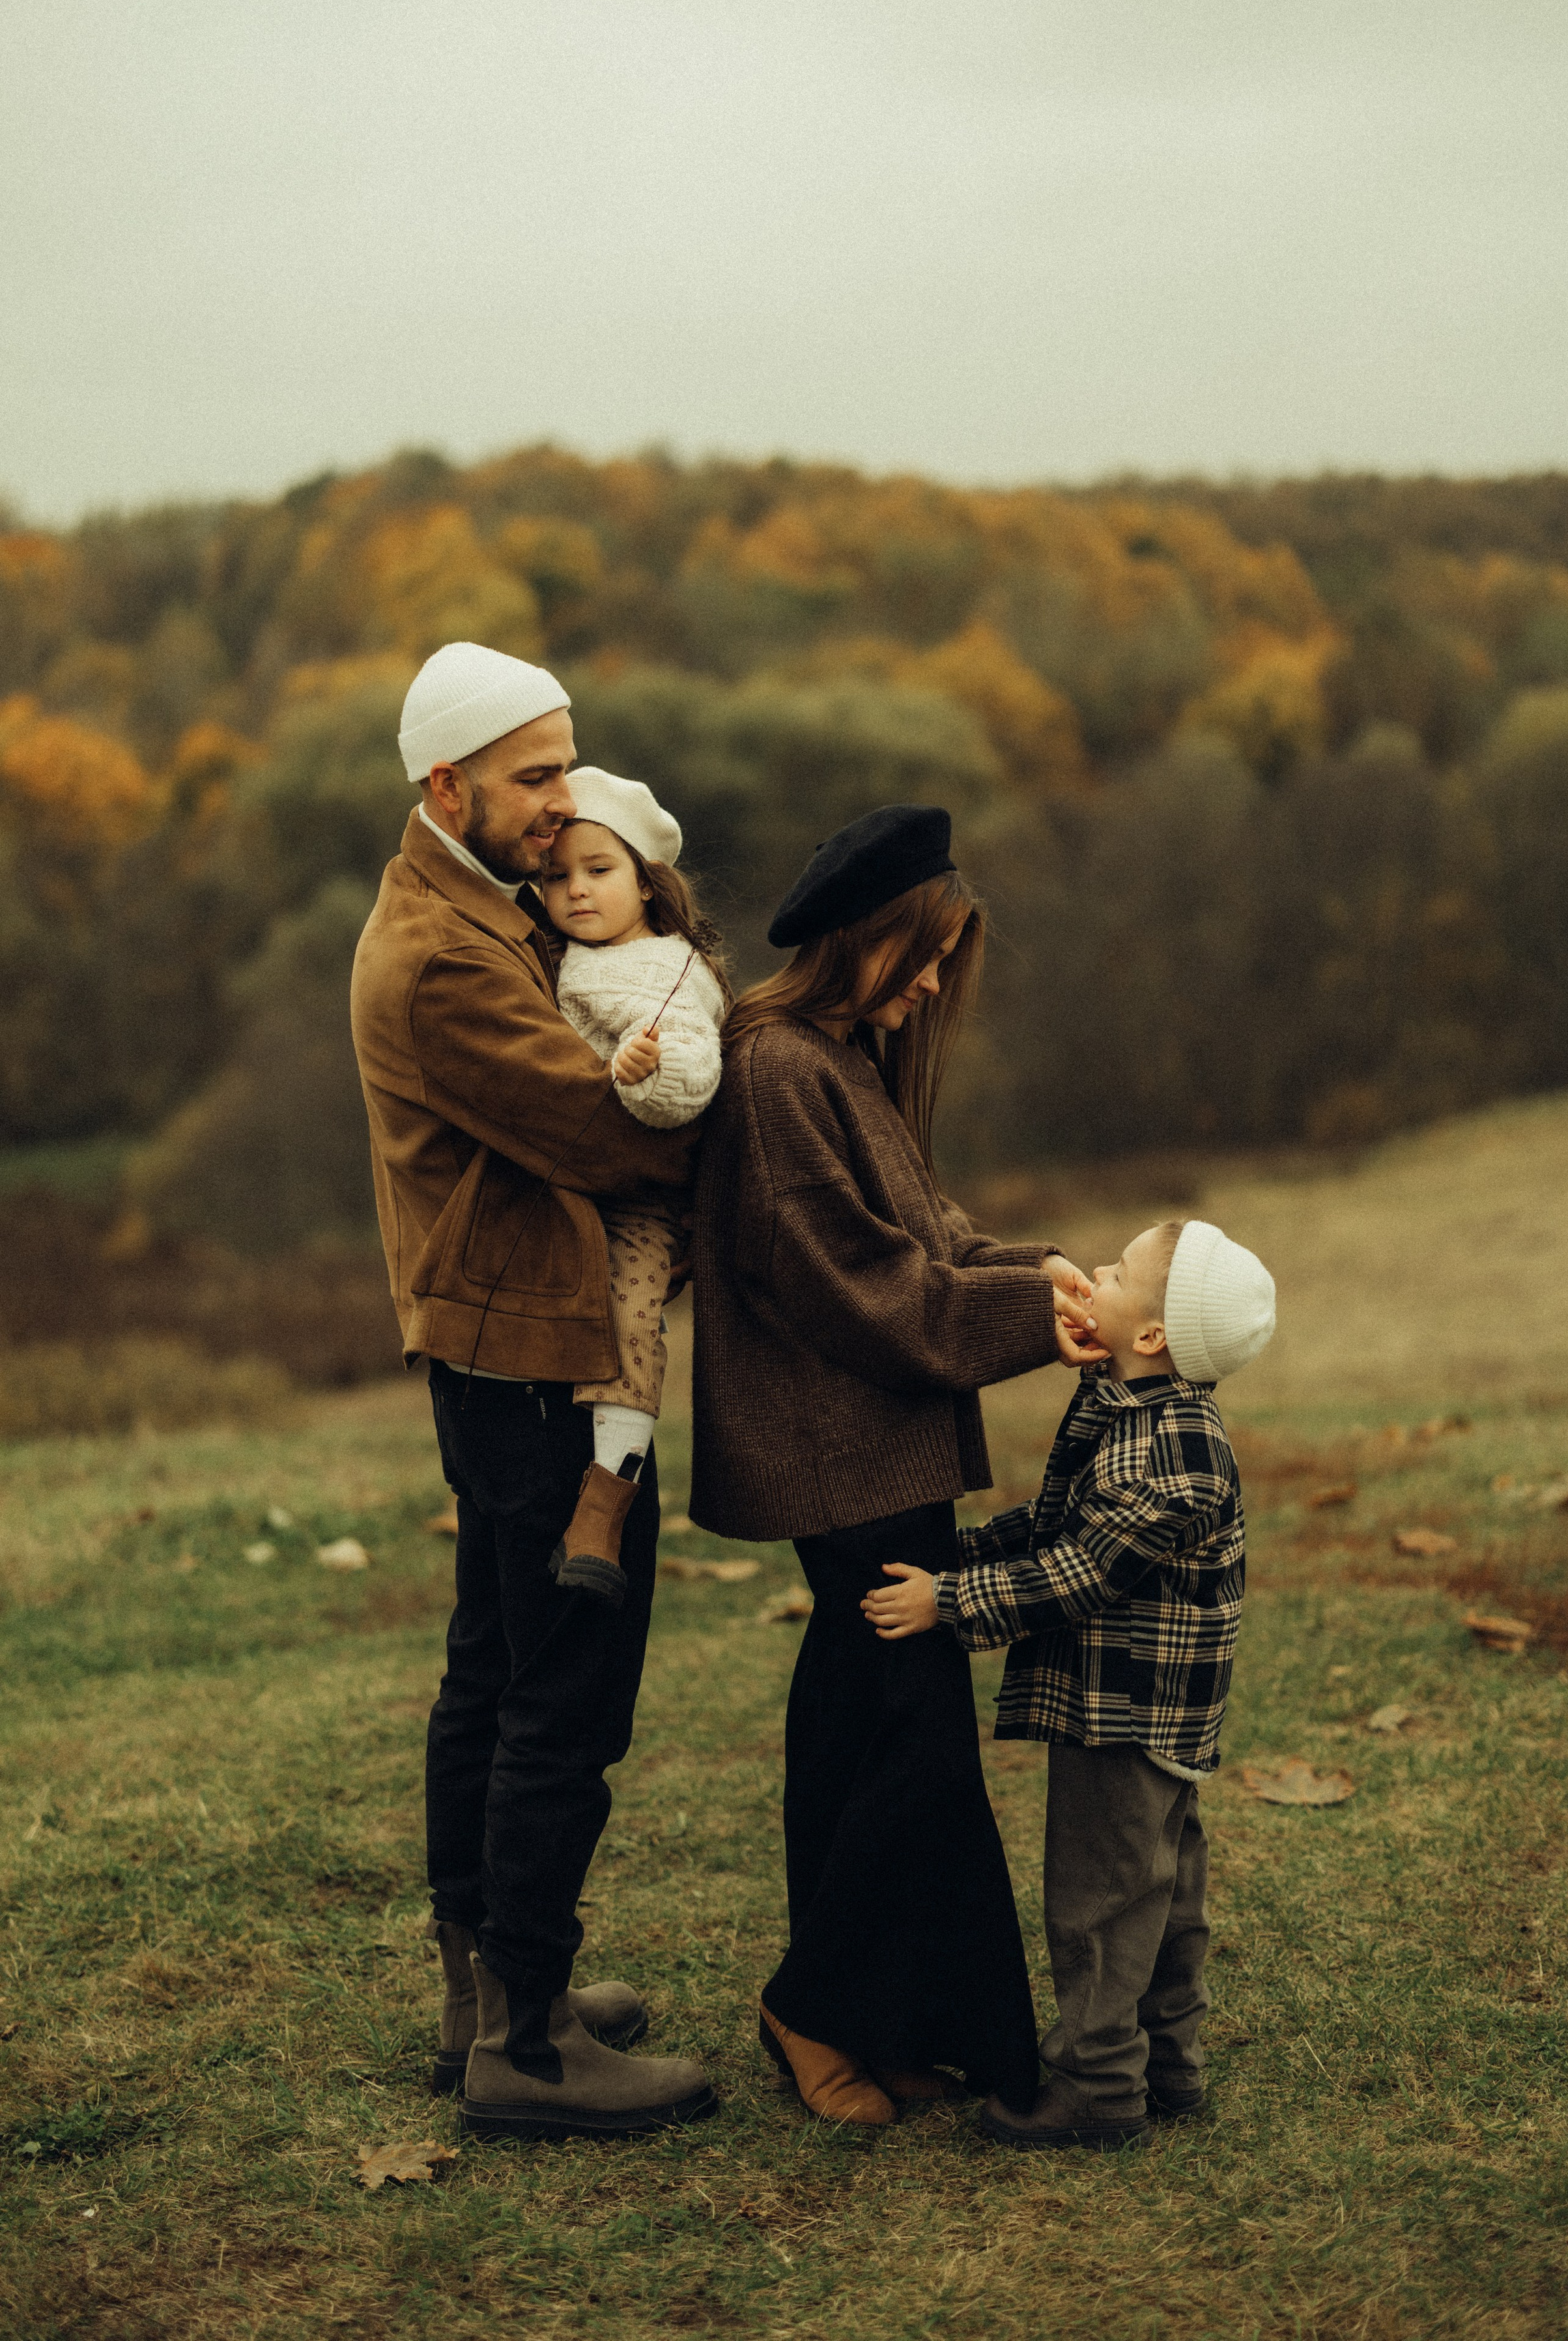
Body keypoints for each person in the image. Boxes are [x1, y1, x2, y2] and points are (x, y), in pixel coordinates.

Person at [689, 803, 1106, 2127]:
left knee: (860, 1729)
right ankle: (813, 2008)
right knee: (914, 1745)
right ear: (858, 940)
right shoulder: (774, 1070)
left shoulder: (837, 1060)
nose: (932, 983)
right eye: (917, 952)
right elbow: (861, 1290)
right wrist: (1039, 1317)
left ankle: (893, 2028)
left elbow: (931, 1239)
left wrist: (1043, 1275)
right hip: (836, 1454)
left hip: (878, 1449)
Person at [350, 639, 717, 2142]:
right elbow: (609, 1131)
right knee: (561, 1683)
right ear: (448, 784)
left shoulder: (477, 907)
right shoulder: (440, 955)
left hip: (509, 1341)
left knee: (494, 1668)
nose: (564, 803)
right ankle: (528, 2042)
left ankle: (491, 1998)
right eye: (537, 774)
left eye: (566, 764)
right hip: (531, 1357)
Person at [864, 1218, 1276, 2149]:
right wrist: (955, 1552)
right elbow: (1054, 1521)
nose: (1095, 1271)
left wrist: (952, 1601)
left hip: (1131, 1712)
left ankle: (1098, 2086)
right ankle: (1169, 2067)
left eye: (1119, 1271)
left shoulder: (1174, 1449)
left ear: (1155, 1336)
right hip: (1147, 1709)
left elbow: (1081, 1569)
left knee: (1102, 1902)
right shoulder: (1126, 1406)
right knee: (1159, 1896)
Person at [539, 767, 729, 1603]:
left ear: (648, 885)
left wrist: (642, 1075)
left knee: (627, 1319)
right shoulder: (573, 957)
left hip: (649, 1200)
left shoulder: (665, 972)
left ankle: (603, 1504)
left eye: (599, 870)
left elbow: (689, 1073)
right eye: (556, 876)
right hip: (579, 1184)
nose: (575, 890)